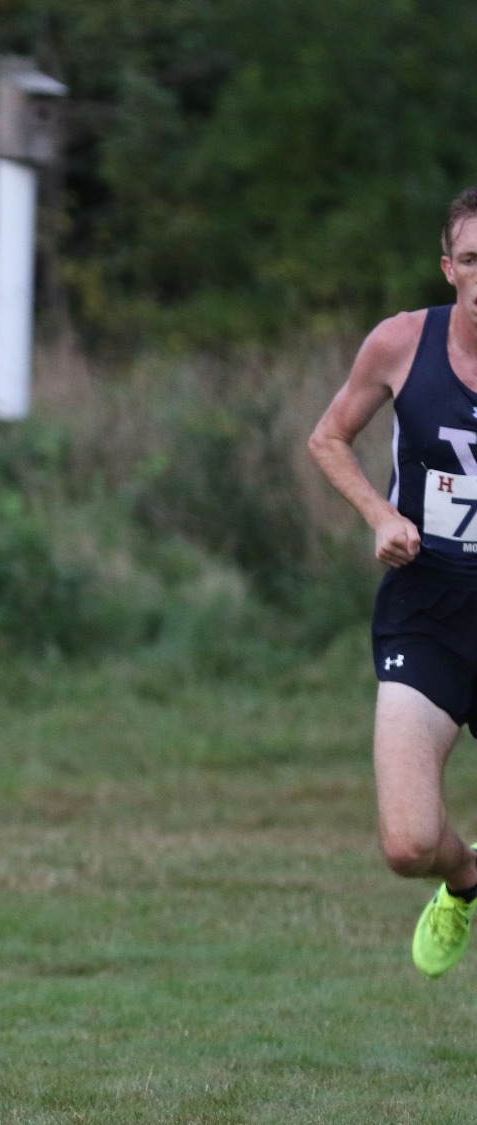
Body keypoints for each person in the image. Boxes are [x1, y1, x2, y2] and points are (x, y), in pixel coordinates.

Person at [308, 185, 477, 979]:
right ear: (449, 268)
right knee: (408, 842)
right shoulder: (402, 344)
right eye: (473, 259)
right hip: (429, 606)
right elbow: (329, 437)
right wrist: (379, 514)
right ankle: (465, 877)